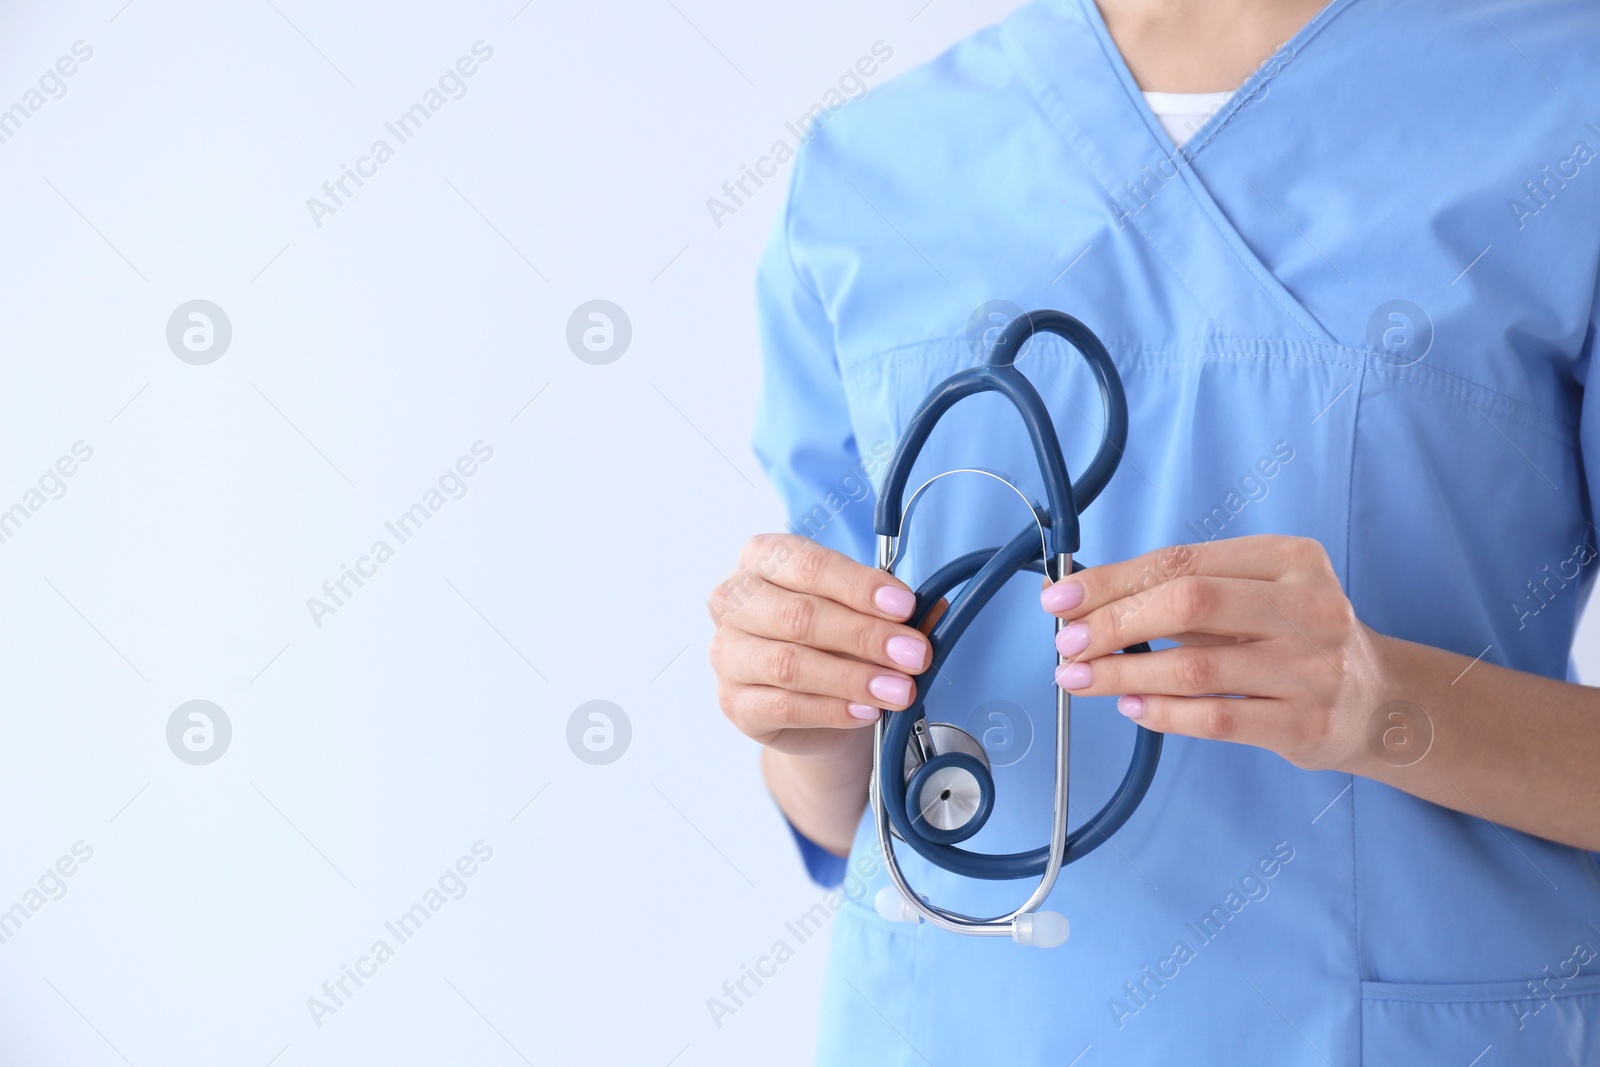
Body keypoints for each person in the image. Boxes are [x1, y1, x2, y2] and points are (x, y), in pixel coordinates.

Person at [707, 0, 1600, 1061]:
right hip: (946, 1019)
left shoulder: (1563, 105)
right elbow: (840, 802)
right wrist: (806, 720)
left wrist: (1389, 704)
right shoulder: (872, 166)